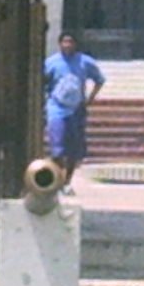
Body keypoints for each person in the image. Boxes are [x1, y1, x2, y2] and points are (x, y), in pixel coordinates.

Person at [40, 28, 105, 176]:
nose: (67, 45)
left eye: (70, 42)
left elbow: (99, 80)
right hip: (56, 108)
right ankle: (56, 177)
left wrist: (89, 99)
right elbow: (42, 81)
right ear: (59, 44)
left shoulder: (85, 62)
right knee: (57, 146)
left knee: (73, 149)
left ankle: (67, 179)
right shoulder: (51, 62)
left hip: (76, 109)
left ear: (75, 44)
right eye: (64, 42)